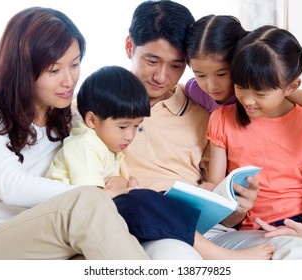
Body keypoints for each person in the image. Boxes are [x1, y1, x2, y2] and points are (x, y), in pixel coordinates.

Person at [120, 0, 302, 260]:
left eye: (176, 65)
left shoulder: (219, 110)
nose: (162, 77)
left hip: (219, 223)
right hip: (145, 215)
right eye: (152, 61)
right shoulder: (101, 105)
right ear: (130, 47)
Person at [0, 7, 148, 260]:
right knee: (86, 204)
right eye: (54, 70)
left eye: (75, 64)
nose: (69, 81)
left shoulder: (69, 117)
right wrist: (97, 195)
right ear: (23, 69)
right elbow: (11, 186)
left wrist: (119, 184)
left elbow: (92, 165)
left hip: (41, 234)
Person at [46, 65, 275, 260]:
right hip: (71, 222)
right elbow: (89, 199)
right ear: (92, 120)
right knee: (146, 198)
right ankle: (224, 257)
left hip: (91, 217)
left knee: (155, 200)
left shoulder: (105, 143)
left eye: (136, 126)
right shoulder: (85, 145)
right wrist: (129, 190)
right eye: (124, 127)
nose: (130, 136)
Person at [205, 24, 302, 259]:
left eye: (261, 93)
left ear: (292, 87)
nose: (248, 100)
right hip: (269, 228)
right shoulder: (222, 119)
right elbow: (216, 189)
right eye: (241, 87)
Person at [184, 14, 302, 206]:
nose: (211, 86)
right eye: (200, 74)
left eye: (222, 74)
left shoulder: (257, 93)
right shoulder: (195, 90)